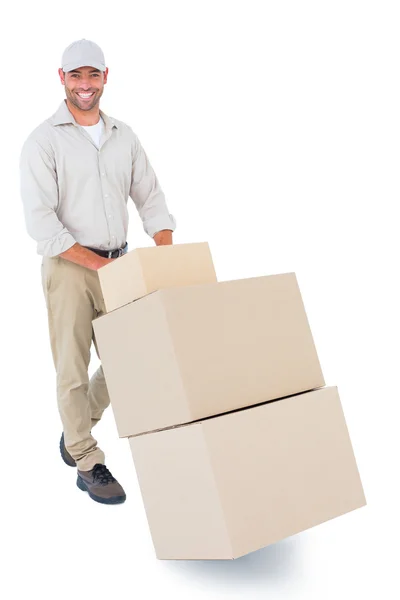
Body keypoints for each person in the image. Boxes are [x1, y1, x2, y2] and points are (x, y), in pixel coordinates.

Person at [19, 39, 176, 505]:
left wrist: (162, 246)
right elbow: (41, 223)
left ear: (106, 77)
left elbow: (150, 195)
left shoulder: (123, 135)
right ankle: (86, 459)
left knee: (133, 353)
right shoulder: (43, 140)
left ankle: (75, 427)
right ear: (61, 78)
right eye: (75, 76)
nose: (84, 85)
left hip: (120, 262)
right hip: (69, 267)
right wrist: (96, 265)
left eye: (92, 76)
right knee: (71, 365)